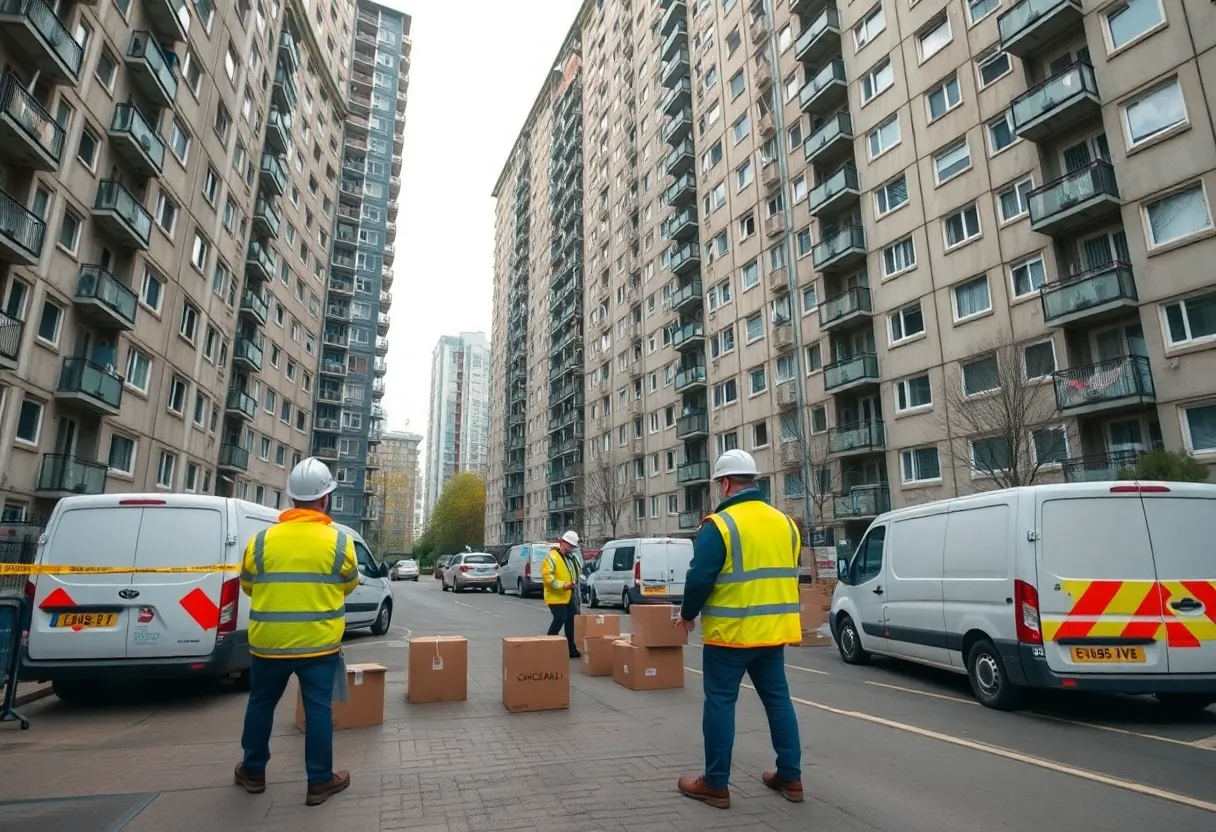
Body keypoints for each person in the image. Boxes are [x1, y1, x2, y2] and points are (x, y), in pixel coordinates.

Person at [672, 449, 804, 810]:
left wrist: (687, 614)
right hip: (773, 633)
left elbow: (700, 577)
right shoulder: (787, 524)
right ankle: (790, 776)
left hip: (730, 636)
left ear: (726, 483)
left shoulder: (720, 525)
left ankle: (716, 785)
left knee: (720, 704)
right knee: (779, 702)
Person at [233, 457, 360, 807]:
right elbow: (349, 585)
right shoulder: (339, 543)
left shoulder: (260, 541)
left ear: (290, 500)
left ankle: (253, 771)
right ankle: (319, 782)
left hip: (268, 645)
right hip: (319, 645)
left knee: (260, 703)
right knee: (318, 709)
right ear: (326, 499)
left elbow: (247, 586)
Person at [543, 530, 584, 658]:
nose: (571, 548)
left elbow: (575, 572)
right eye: (570, 546)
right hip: (555, 596)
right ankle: (547, 646)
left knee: (570, 621)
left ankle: (571, 649)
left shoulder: (571, 558)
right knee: (560, 619)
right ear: (563, 543)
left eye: (573, 546)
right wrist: (563, 585)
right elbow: (548, 578)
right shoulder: (552, 557)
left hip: (569, 594)